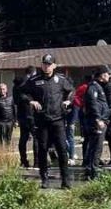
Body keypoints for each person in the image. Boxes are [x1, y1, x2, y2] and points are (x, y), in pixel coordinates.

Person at [21, 54, 74, 189]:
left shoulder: (61, 80)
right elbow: (22, 93)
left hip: (58, 120)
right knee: (42, 149)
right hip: (42, 121)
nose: (46, 66)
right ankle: (44, 179)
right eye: (44, 64)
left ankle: (65, 180)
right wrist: (31, 101)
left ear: (54, 65)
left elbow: (72, 91)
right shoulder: (34, 80)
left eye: (49, 64)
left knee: (62, 150)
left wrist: (69, 100)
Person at [81, 66, 111, 180]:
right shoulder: (94, 87)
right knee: (96, 147)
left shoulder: (98, 87)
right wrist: (98, 119)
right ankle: (93, 171)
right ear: (102, 75)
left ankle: (91, 169)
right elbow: (93, 104)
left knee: (94, 146)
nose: (109, 76)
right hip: (96, 122)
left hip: (99, 120)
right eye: (107, 74)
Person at [15, 67, 37, 168]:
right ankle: (37, 161)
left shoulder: (17, 84)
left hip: (22, 115)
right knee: (36, 138)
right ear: (33, 73)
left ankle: (23, 160)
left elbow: (16, 100)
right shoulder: (32, 83)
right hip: (32, 114)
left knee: (23, 138)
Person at [0, 83, 16, 148]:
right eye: (0, 89)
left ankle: (7, 151)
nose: (2, 91)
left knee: (8, 137)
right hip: (0, 121)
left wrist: (16, 121)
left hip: (10, 121)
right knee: (0, 137)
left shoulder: (11, 98)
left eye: (3, 89)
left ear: (6, 90)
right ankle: (0, 152)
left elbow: (15, 109)